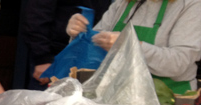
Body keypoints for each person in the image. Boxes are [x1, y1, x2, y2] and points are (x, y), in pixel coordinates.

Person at [66, 0, 201, 93]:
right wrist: (79, 34)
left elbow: (178, 63)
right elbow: (92, 53)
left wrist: (130, 46)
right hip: (117, 97)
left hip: (168, 102)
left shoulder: (191, 4)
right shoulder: (123, 3)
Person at [22, 0, 111, 90]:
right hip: (54, 57)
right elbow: (36, 16)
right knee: (44, 101)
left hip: (86, 58)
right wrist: (42, 59)